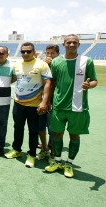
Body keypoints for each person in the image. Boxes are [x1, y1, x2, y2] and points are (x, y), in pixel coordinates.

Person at [45, 34, 97, 178]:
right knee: (57, 134)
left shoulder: (87, 61)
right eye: (69, 42)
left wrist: (89, 85)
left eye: (75, 42)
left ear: (79, 45)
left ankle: (69, 163)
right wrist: (47, 101)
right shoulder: (56, 62)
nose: (72, 45)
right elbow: (52, 82)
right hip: (58, 106)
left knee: (74, 135)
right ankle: (57, 161)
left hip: (78, 107)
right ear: (64, 45)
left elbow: (94, 81)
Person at [5, 42, 52, 168]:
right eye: (23, 51)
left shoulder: (41, 64)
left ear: (34, 52)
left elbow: (48, 83)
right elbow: (14, 79)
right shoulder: (17, 64)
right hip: (18, 103)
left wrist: (44, 102)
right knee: (18, 128)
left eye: (28, 51)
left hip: (34, 105)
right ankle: (16, 150)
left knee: (33, 131)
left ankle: (31, 155)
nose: (25, 53)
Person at [36, 44, 60, 161]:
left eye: (52, 53)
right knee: (40, 127)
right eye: (48, 53)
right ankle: (44, 149)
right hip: (40, 101)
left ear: (58, 55)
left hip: (54, 102)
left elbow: (54, 84)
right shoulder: (42, 65)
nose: (49, 56)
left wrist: (49, 101)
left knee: (53, 129)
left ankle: (53, 154)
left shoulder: (59, 66)